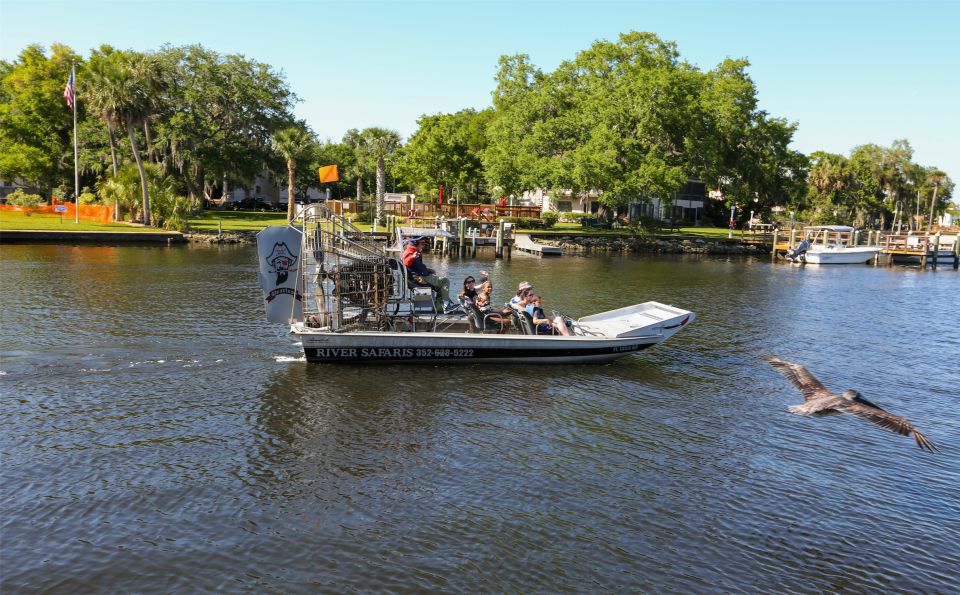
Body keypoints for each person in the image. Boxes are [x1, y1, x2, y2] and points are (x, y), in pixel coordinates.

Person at [402, 236, 453, 312]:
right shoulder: (410, 251)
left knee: (440, 288)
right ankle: (446, 305)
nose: (423, 245)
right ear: (415, 243)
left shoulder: (415, 251)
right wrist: (412, 257)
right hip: (420, 278)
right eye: (422, 243)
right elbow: (406, 262)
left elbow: (418, 267)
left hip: (423, 275)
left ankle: (440, 308)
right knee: (445, 281)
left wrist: (428, 270)